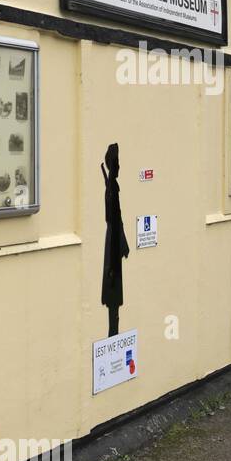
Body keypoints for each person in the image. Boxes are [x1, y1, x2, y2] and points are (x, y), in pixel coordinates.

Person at [101, 143, 130, 337]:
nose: (119, 166)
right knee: (113, 294)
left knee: (115, 297)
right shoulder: (112, 186)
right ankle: (113, 332)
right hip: (113, 244)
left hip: (114, 241)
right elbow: (113, 217)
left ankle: (114, 330)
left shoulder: (113, 185)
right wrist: (122, 243)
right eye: (117, 162)